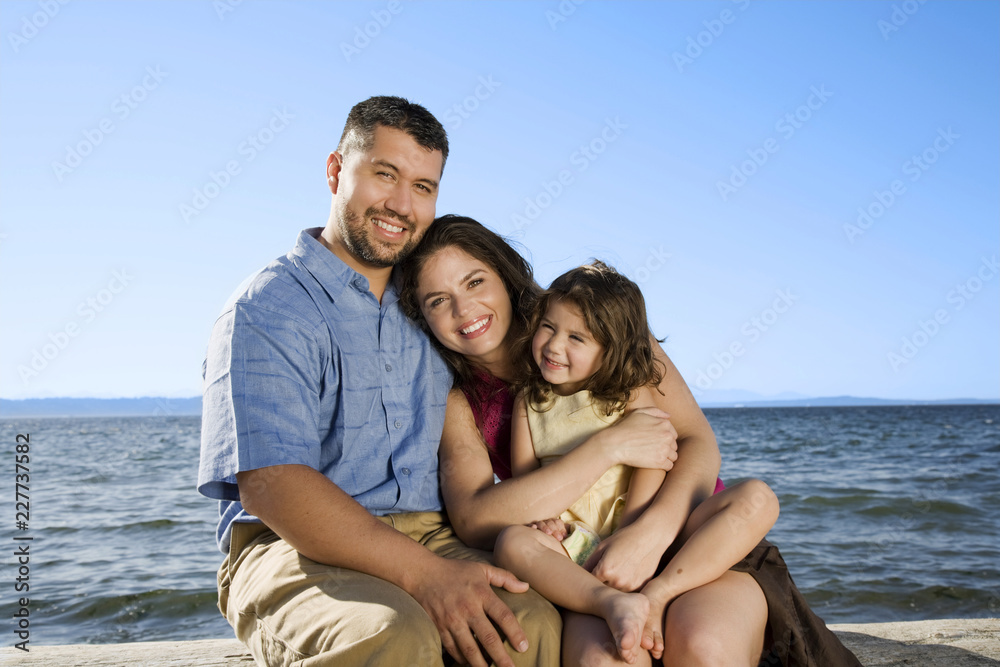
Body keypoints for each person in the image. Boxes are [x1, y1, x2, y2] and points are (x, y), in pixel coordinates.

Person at [198, 96, 572, 667]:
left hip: (436, 534)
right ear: (334, 171)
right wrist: (427, 578)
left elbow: (519, 384)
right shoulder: (268, 308)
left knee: (533, 623)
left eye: (424, 186)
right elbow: (273, 485)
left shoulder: (434, 303)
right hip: (290, 545)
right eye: (385, 174)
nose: (402, 204)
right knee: (395, 636)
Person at [400, 215, 863, 667]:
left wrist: (649, 533)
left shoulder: (607, 325)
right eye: (439, 300)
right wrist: (608, 447)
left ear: (505, 275)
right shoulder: (461, 401)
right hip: (586, 558)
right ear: (421, 315)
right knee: (605, 659)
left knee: (704, 648)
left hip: (685, 536)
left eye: (475, 282)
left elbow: (696, 440)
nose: (464, 310)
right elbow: (476, 517)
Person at [493, 261, 780, 665]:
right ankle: (610, 602)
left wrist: (633, 537)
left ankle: (658, 594)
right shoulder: (529, 401)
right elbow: (527, 482)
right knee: (511, 542)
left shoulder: (628, 395)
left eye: (577, 337)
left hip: (650, 540)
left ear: (611, 349)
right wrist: (546, 524)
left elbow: (657, 461)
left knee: (757, 497)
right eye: (548, 327)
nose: (555, 345)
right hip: (581, 548)